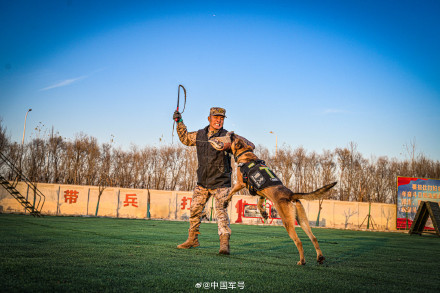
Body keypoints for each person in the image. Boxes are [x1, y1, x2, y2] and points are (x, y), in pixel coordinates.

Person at [173, 107, 232, 254]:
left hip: (221, 182)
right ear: (209, 118)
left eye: (222, 118)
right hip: (203, 182)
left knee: (221, 212)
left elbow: (239, 148)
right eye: (216, 117)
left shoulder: (227, 137)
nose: (219, 120)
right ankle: (193, 240)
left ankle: (224, 244)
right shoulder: (199, 135)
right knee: (194, 210)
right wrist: (179, 121)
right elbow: (185, 138)